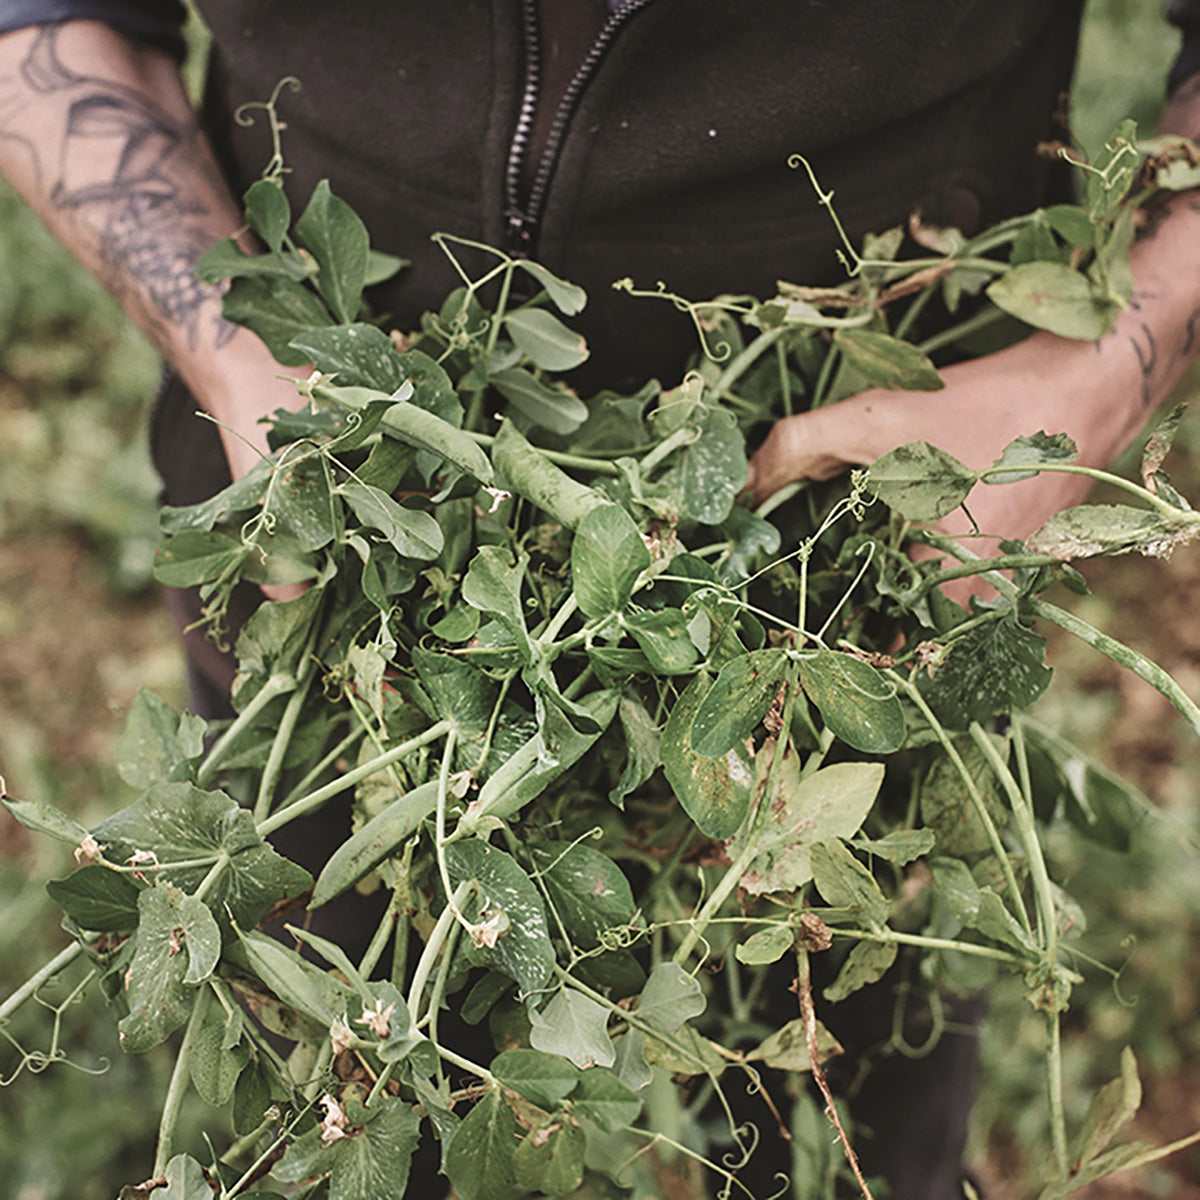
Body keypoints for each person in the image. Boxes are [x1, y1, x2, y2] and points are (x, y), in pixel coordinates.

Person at [0, 4, 1197, 1198]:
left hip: (866, 555)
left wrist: (1102, 366)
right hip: (346, 552)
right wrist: (235, 360)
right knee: (360, 1071)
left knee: (844, 1132)